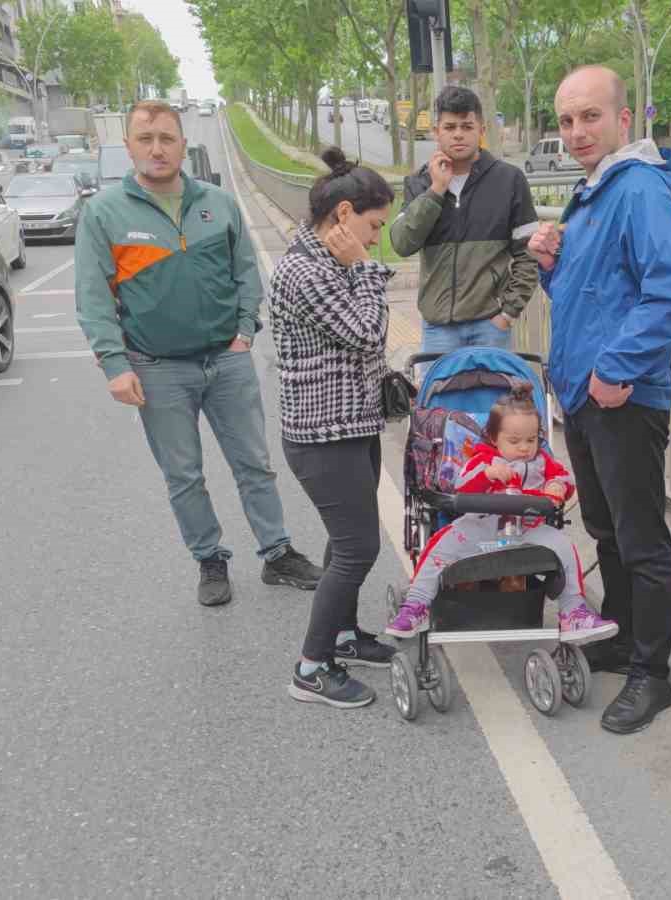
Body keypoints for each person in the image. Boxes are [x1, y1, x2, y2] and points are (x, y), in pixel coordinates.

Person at [75, 100, 323, 608]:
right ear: (129, 147)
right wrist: (115, 365)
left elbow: (245, 273)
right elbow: (93, 297)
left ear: (183, 144)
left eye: (167, 138)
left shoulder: (218, 202)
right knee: (184, 475)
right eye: (146, 140)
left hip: (227, 360)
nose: (157, 149)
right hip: (157, 367)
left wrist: (245, 332)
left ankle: (277, 553)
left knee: (254, 462)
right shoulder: (104, 213)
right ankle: (209, 558)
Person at [526, 65, 671, 735]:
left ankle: (650, 673)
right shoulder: (591, 192)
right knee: (606, 527)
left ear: (623, 120)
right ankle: (625, 639)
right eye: (566, 120)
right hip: (587, 392)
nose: (575, 132)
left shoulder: (638, 192)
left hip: (623, 394)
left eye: (589, 117)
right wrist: (550, 267)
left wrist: (617, 366)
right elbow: (595, 294)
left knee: (641, 537)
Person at [270, 147, 401, 709]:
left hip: (348, 425)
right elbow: (369, 334)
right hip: (324, 436)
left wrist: (358, 269)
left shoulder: (328, 263)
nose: (376, 240)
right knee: (357, 548)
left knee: (345, 539)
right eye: (374, 226)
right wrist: (368, 272)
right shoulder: (305, 272)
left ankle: (344, 636)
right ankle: (311, 667)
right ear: (344, 215)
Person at [387, 382, 619, 643]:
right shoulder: (483, 458)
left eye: (531, 440)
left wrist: (557, 486)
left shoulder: (542, 462)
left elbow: (564, 479)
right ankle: (416, 605)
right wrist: (486, 474)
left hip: (527, 529)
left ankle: (574, 611)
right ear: (493, 438)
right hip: (480, 528)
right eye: (515, 441)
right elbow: (461, 485)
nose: (524, 448)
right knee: (438, 548)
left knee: (564, 547)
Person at [390, 86, 539, 355]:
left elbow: (529, 254)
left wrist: (507, 313)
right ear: (437, 132)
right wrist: (436, 190)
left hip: (491, 326)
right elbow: (401, 243)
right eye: (449, 127)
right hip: (438, 330)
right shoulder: (420, 182)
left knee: (495, 399)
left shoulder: (509, 180)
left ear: (481, 130)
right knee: (438, 398)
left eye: (467, 126)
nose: (458, 134)